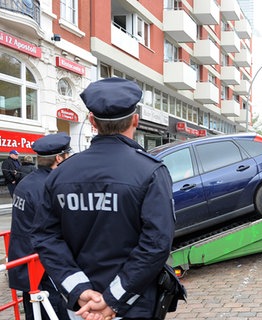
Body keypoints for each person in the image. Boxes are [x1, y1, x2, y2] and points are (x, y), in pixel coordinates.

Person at [32, 78, 176, 320]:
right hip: (133, 305)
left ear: (92, 121)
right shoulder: (150, 172)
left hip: (80, 308)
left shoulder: (61, 174)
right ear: (135, 120)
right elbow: (157, 243)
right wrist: (112, 299)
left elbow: (46, 237)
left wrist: (80, 290)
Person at [8, 133, 73, 320]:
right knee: (53, 311)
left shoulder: (27, 182)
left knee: (33, 310)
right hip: (44, 266)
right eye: (67, 155)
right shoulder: (52, 186)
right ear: (59, 158)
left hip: (26, 261)